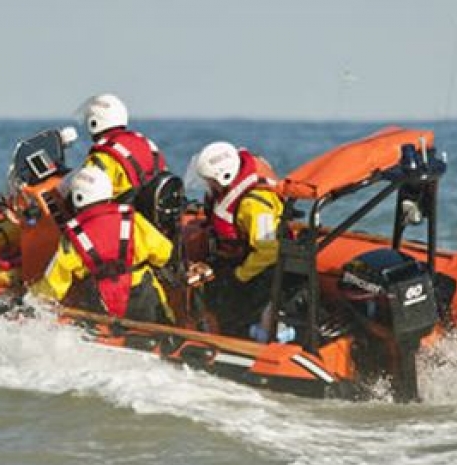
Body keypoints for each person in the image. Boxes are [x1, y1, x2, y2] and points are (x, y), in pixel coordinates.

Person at [31, 166, 174, 324]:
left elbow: (53, 286)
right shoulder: (133, 219)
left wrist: (29, 301)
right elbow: (164, 253)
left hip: (100, 306)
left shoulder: (73, 238)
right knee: (165, 321)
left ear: (77, 198)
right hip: (145, 299)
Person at [192, 141, 285, 336]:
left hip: (261, 269)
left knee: (227, 300)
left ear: (224, 176)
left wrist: (238, 276)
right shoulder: (230, 193)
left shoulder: (254, 205)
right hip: (239, 258)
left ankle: (236, 335)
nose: (209, 185)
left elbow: (268, 251)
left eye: (210, 180)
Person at [77, 93, 169, 205]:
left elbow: (86, 191)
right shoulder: (148, 144)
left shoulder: (102, 156)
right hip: (155, 213)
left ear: (94, 122)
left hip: (124, 215)